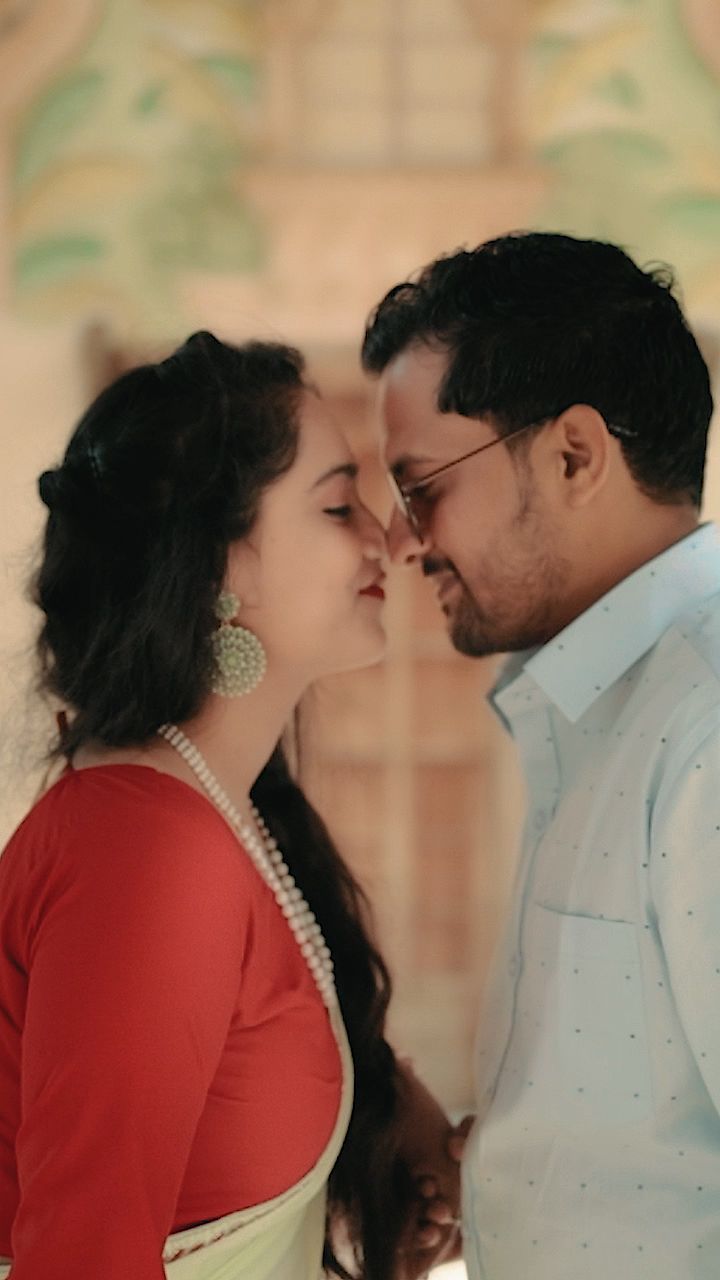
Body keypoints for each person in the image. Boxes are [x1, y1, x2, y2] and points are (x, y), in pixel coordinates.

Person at [0, 331, 459, 1280]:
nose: (384, 537)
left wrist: (383, 1116)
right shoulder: (145, 852)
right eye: (337, 505)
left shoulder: (214, 818)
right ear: (219, 567)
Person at [362, 230, 720, 1279]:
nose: (402, 540)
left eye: (420, 486)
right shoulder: (602, 707)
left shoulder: (705, 722)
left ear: (573, 455)